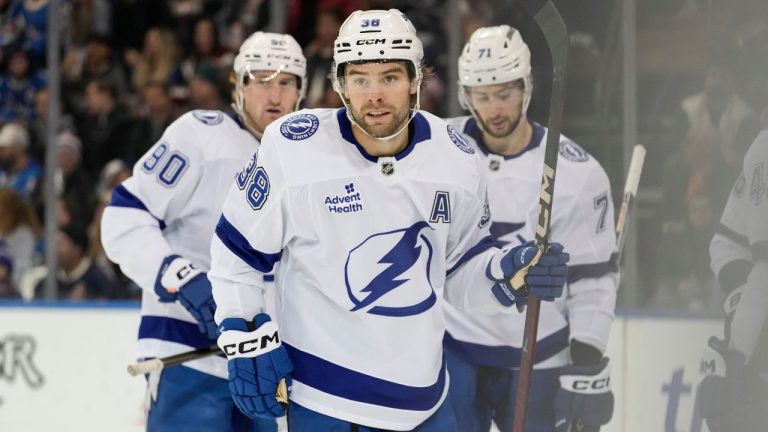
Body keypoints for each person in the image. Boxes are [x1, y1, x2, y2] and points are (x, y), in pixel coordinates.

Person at [209, 9, 570, 432]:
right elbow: (236, 256)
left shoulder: (456, 158)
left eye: (390, 78)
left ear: (416, 81)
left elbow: (458, 274)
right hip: (322, 402)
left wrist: (509, 273)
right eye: (360, 79)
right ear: (341, 84)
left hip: (425, 404)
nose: (375, 95)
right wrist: (244, 332)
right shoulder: (292, 149)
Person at [100, 31, 307, 431]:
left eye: (286, 82)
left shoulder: (308, 160)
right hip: (186, 351)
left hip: (266, 364)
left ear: (301, 91)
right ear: (239, 86)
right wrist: (180, 277)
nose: (274, 95)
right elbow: (123, 217)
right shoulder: (200, 134)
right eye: (261, 80)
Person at [444, 26, 618, 432]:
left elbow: (594, 277)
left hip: (539, 356)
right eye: (482, 96)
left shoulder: (576, 173)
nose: (494, 109)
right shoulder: (440, 149)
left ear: (526, 87)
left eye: (504, 94)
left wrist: (588, 359)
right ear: (465, 95)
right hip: (453, 352)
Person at [701, 130, 768, 431]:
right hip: (743, 264)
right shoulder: (765, 151)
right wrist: (737, 356)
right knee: (742, 389)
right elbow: (765, 268)